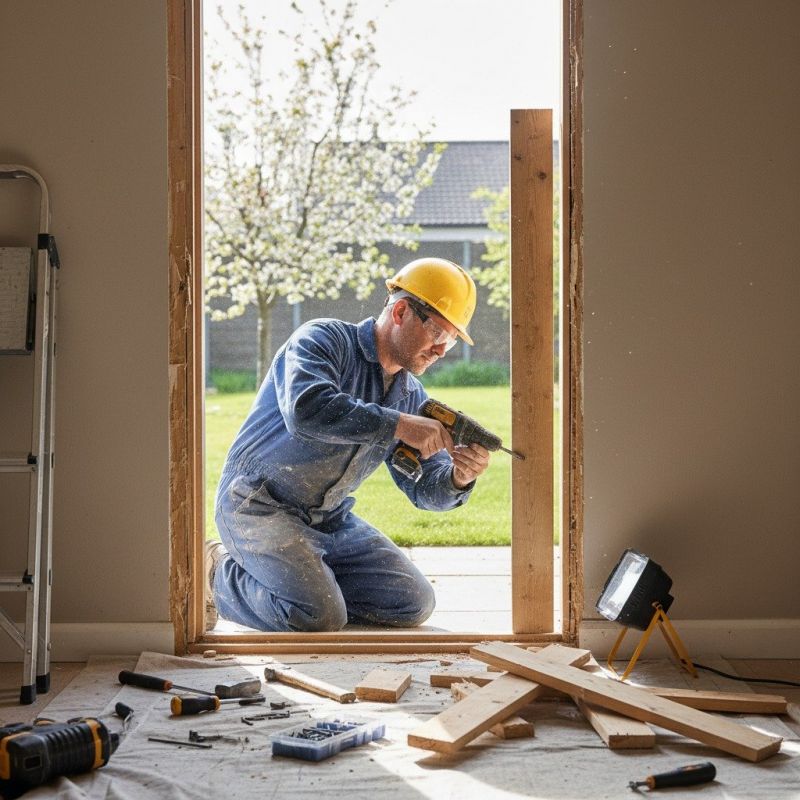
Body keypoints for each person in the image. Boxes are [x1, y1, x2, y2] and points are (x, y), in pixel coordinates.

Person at [206, 257, 492, 632]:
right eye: (438, 333)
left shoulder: (409, 396)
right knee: (318, 617)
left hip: (329, 519)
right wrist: (398, 425)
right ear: (401, 312)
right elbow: (307, 410)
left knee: (413, 603)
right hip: (257, 504)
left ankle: (310, 584)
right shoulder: (322, 340)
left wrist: (457, 478)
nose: (441, 350)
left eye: (450, 341)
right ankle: (215, 572)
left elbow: (423, 488)